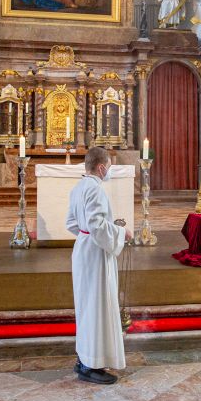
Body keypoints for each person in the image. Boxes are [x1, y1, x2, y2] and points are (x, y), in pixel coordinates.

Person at [66, 147, 133, 384]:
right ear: (102, 167)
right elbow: (96, 225)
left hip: (84, 248)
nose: (110, 171)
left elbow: (72, 223)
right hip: (95, 254)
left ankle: (85, 358)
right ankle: (90, 365)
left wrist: (87, 234)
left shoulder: (78, 187)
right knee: (96, 307)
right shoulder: (95, 190)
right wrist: (121, 232)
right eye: (110, 167)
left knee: (87, 307)